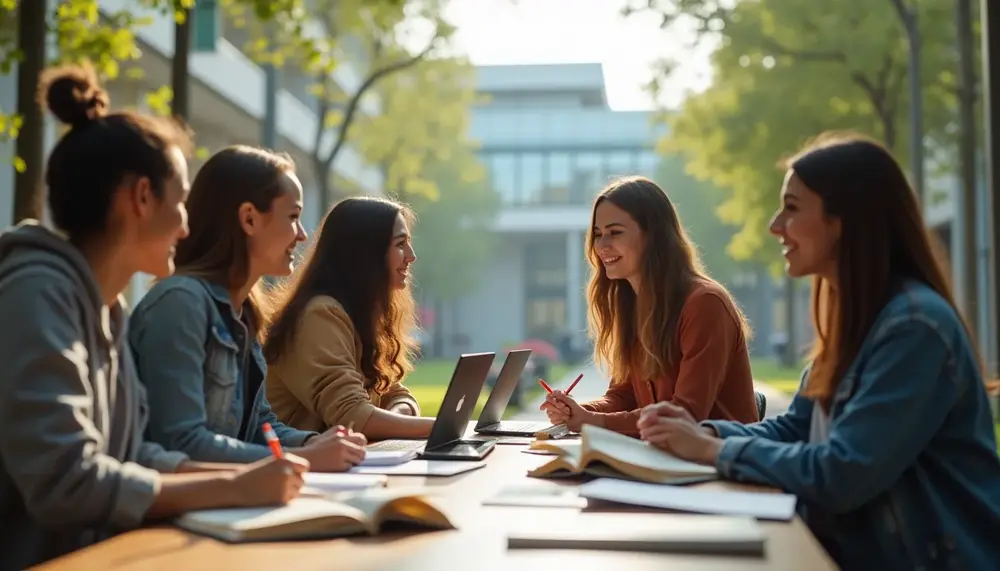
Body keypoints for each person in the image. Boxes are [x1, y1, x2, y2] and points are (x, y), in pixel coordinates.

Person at [637, 133, 1000, 569]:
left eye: (791, 208)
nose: (775, 226)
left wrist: (710, 450)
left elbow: (843, 472)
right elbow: (797, 428)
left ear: (843, 218)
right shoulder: (855, 323)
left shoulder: (913, 328)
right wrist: (708, 433)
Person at [0, 63, 307, 571]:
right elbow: (66, 482)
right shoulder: (36, 294)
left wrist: (258, 477)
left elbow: (135, 455)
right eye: (181, 201)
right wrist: (231, 485)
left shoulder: (107, 307)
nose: (187, 225)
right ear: (142, 198)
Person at [129, 146, 366, 469]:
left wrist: (317, 442)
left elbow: (259, 428)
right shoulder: (180, 304)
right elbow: (181, 443)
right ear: (249, 218)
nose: (302, 234)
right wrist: (305, 457)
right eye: (293, 217)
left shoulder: (243, 312)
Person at [540, 176, 759, 435]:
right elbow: (622, 398)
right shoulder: (632, 307)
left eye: (615, 232)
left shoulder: (705, 304)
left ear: (653, 236)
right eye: (598, 234)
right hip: (662, 460)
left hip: (719, 465)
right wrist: (577, 411)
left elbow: (684, 415)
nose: (601, 245)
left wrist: (592, 420)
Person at [263, 196, 430, 441]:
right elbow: (352, 416)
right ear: (366, 253)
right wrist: (439, 428)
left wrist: (397, 413)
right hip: (306, 469)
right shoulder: (318, 315)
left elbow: (394, 393)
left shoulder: (360, 314)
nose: (411, 256)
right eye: (400, 244)